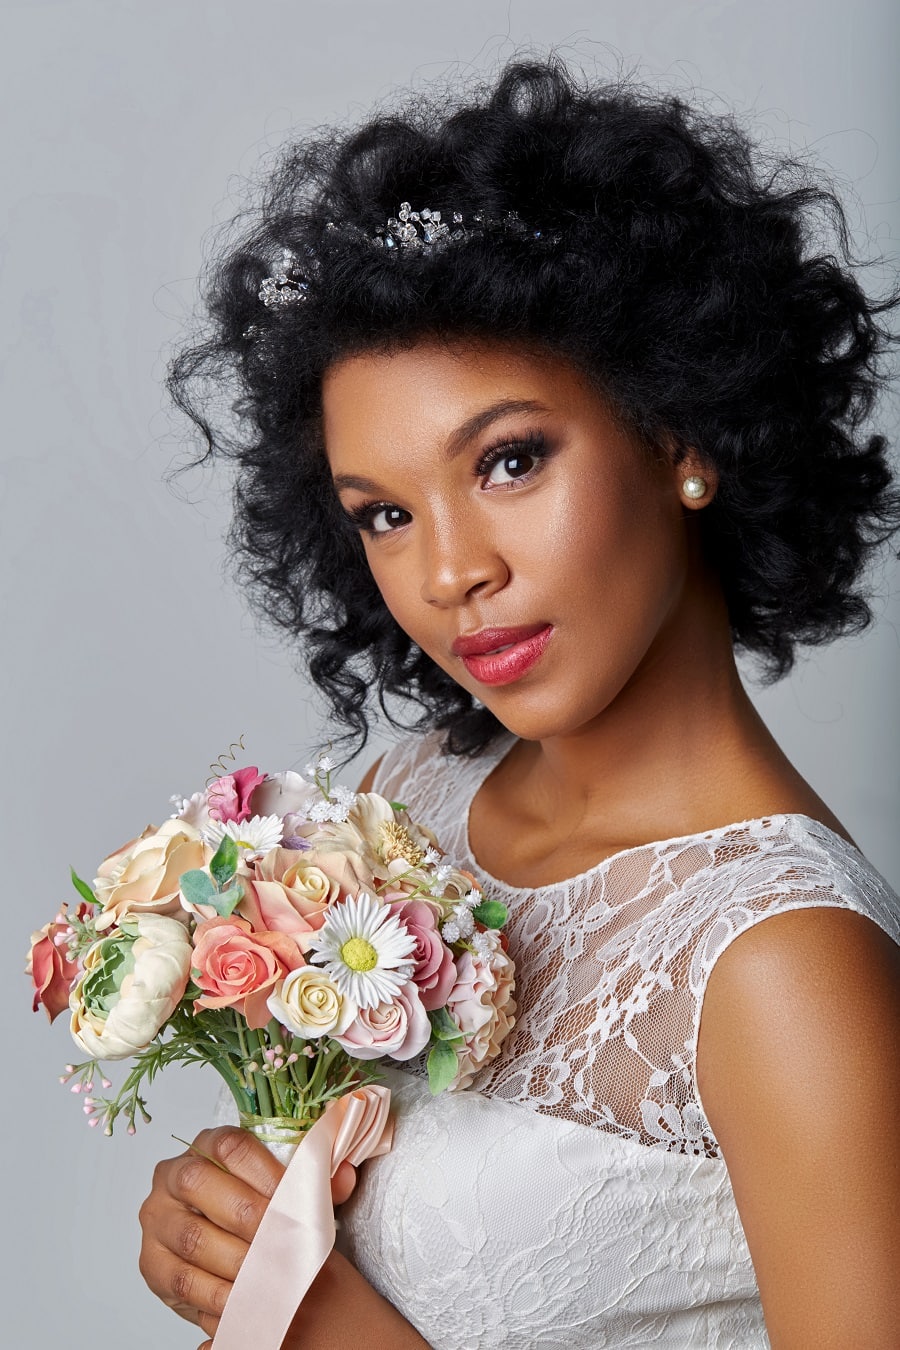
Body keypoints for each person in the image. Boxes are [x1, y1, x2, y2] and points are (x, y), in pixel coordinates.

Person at [138, 57, 900, 1348]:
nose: (448, 573)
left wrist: (322, 1324)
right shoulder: (410, 798)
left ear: (682, 434)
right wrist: (229, 1226)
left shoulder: (786, 969)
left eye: (508, 460)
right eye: (383, 511)